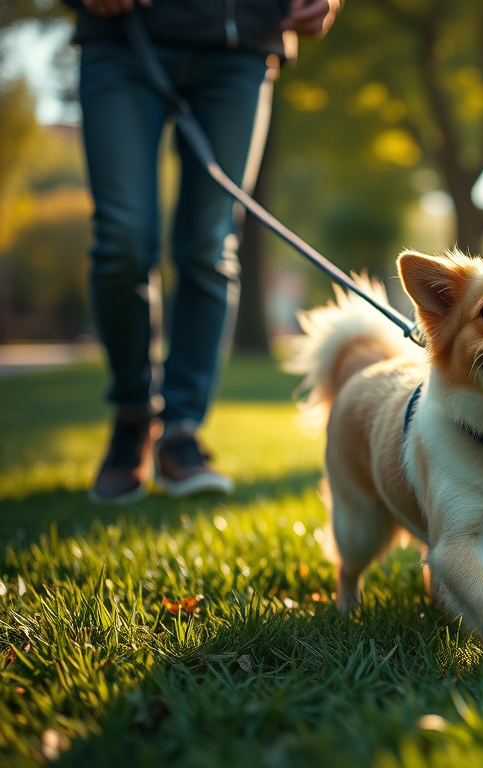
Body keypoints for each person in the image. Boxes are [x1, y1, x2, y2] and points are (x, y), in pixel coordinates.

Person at [63, 0, 342, 502]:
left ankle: (180, 430)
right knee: (123, 237)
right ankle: (132, 416)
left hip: (241, 46)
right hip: (123, 35)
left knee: (209, 246)